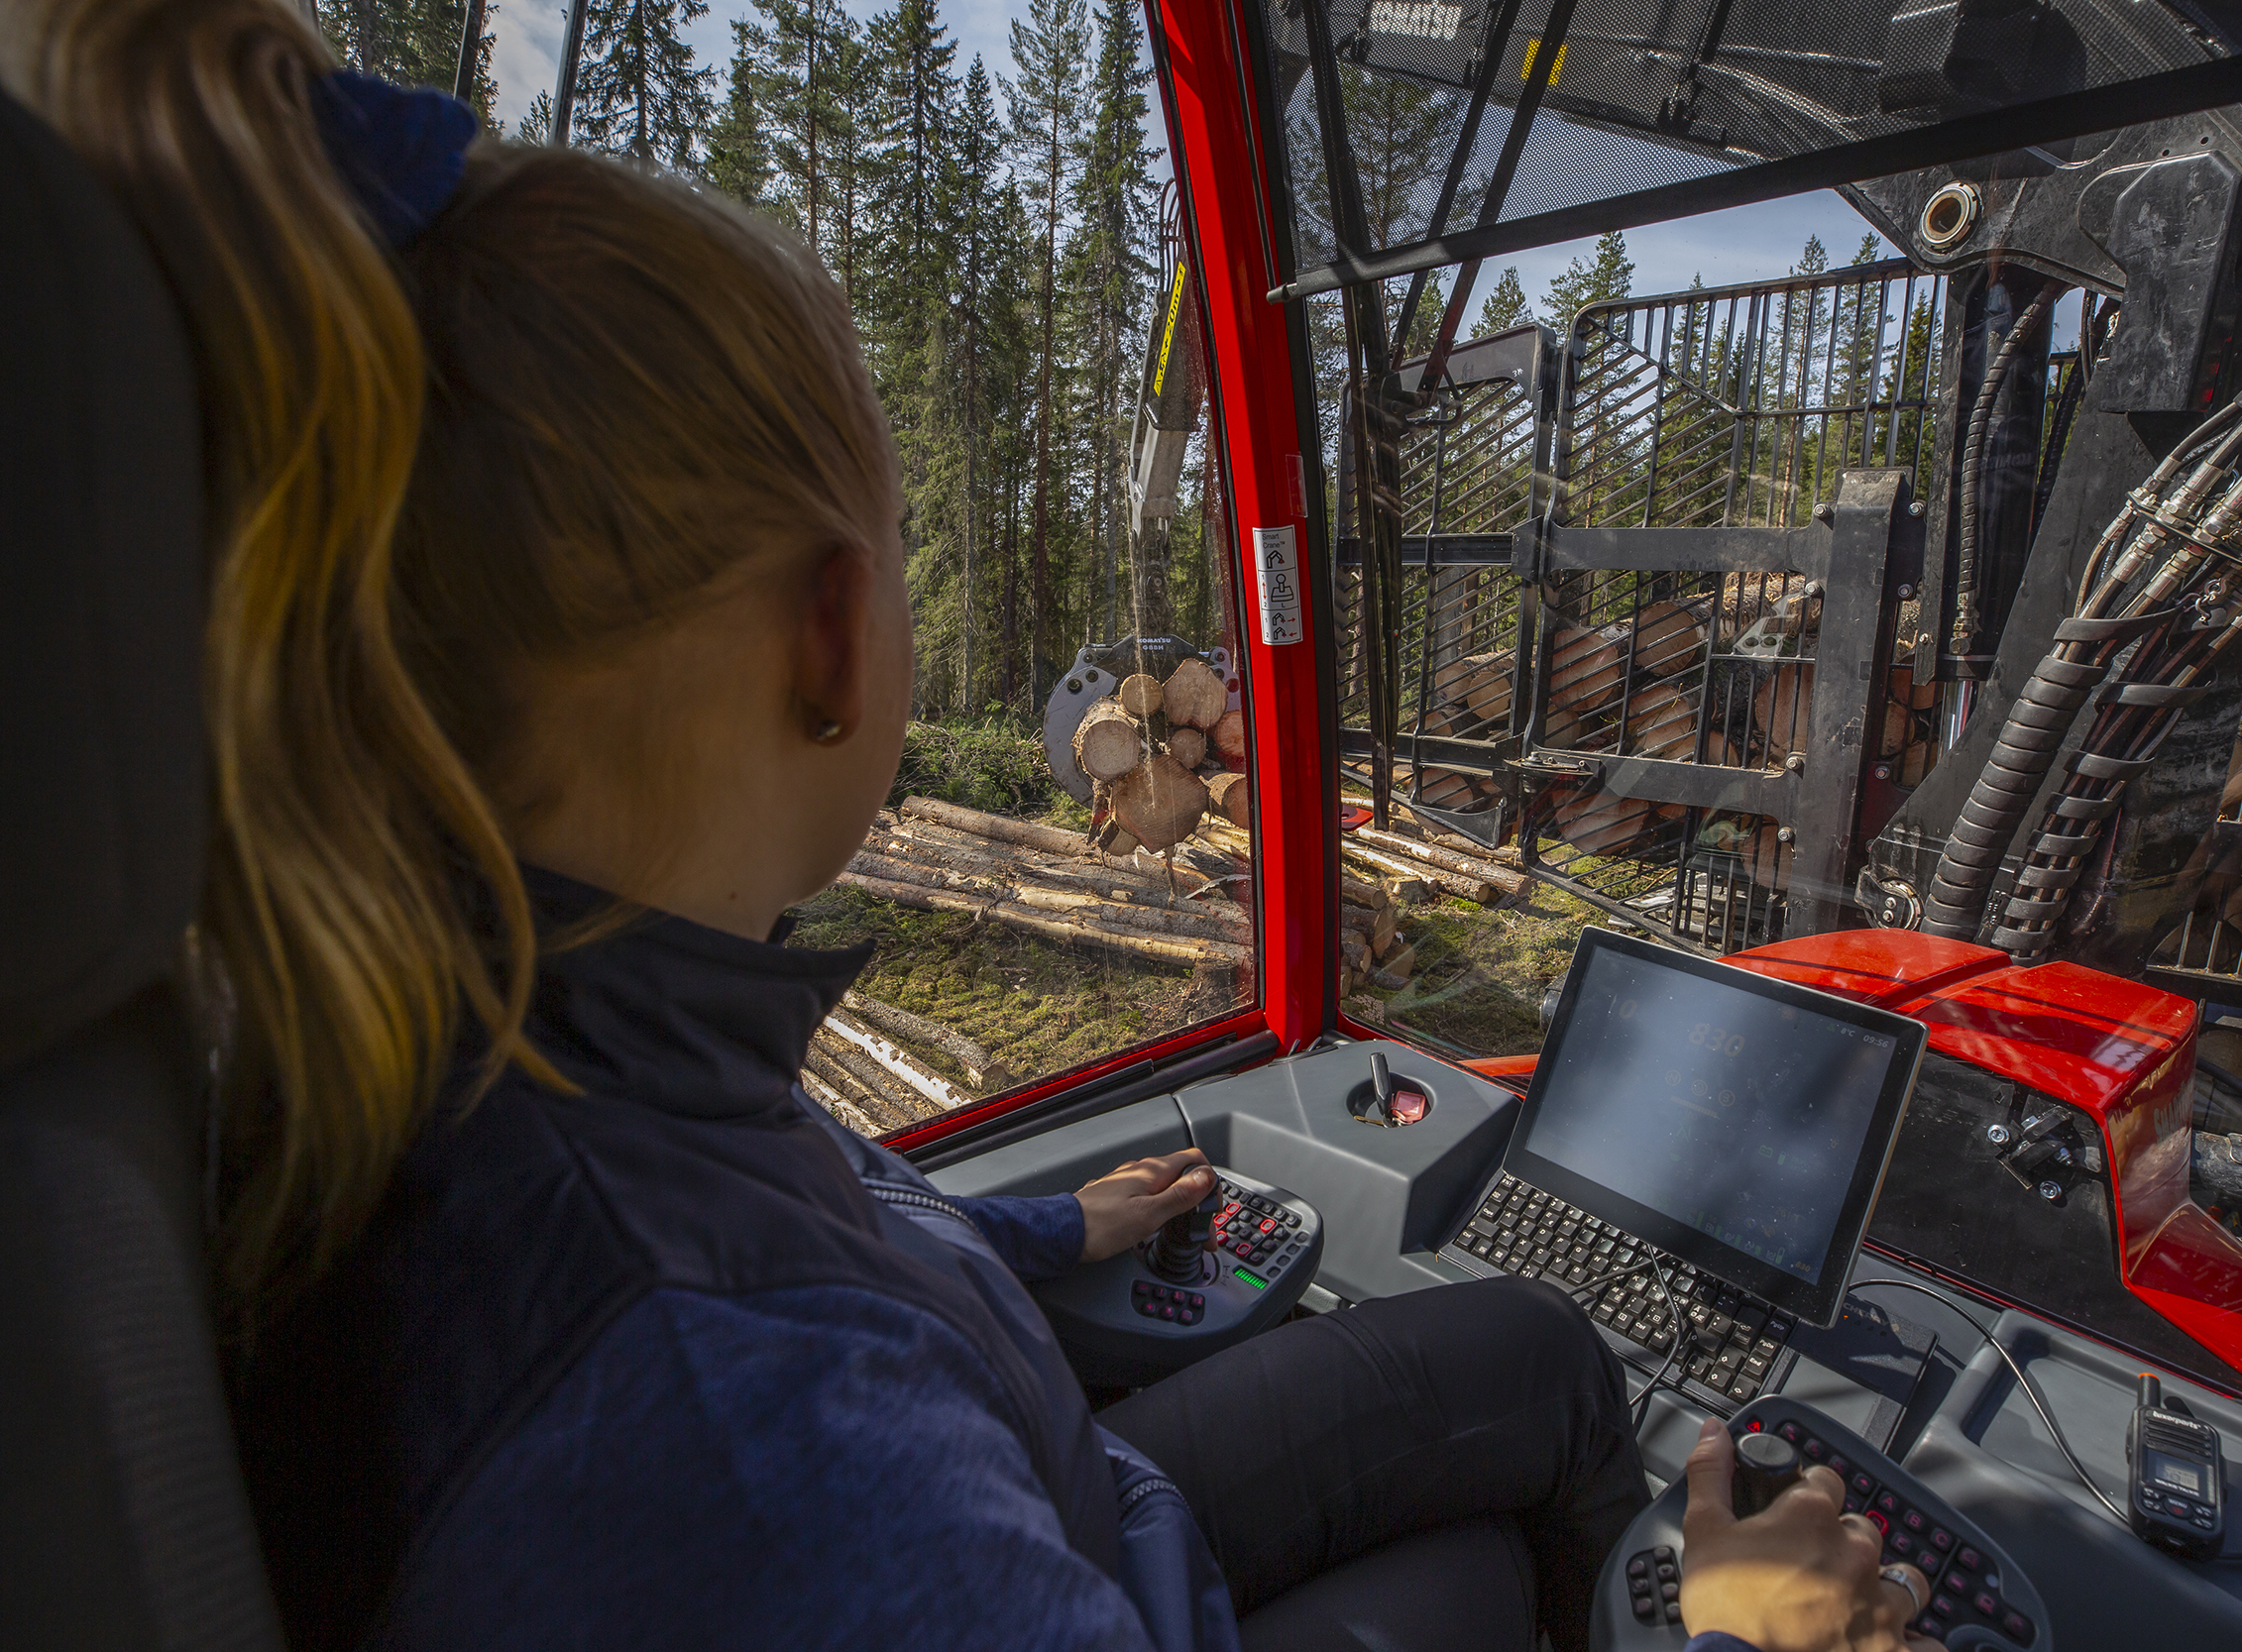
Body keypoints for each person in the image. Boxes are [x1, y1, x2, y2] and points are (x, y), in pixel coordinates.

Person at [5, 3, 1945, 1648]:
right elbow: (768, 1362)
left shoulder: (516, 998)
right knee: (1490, 1550)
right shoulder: (751, 1451)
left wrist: (1036, 1223)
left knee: (1530, 1350)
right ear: (833, 635)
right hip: (1046, 1535)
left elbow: (789, 1220)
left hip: (1054, 1493)